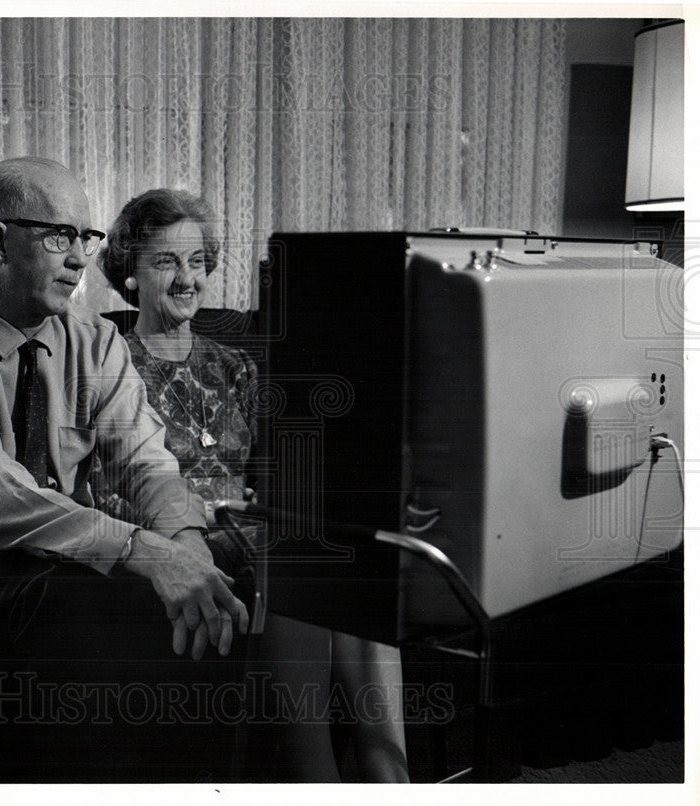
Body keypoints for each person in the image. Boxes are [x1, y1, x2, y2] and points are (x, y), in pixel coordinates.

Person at [0, 159, 250, 777]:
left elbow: (145, 462)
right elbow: (4, 504)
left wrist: (188, 546)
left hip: (76, 544)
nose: (81, 259)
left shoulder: (96, 341)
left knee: (222, 570)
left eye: (86, 237)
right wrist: (148, 552)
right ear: (0, 240)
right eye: (60, 235)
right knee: (82, 599)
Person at [97, 188, 409, 782]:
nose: (187, 278)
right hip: (179, 533)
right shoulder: (109, 362)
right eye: (166, 262)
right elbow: (104, 482)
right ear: (130, 276)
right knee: (297, 559)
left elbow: (276, 468)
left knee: (354, 553)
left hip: (253, 524)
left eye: (196, 261)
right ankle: (320, 782)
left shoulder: (236, 363)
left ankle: (390, 776)